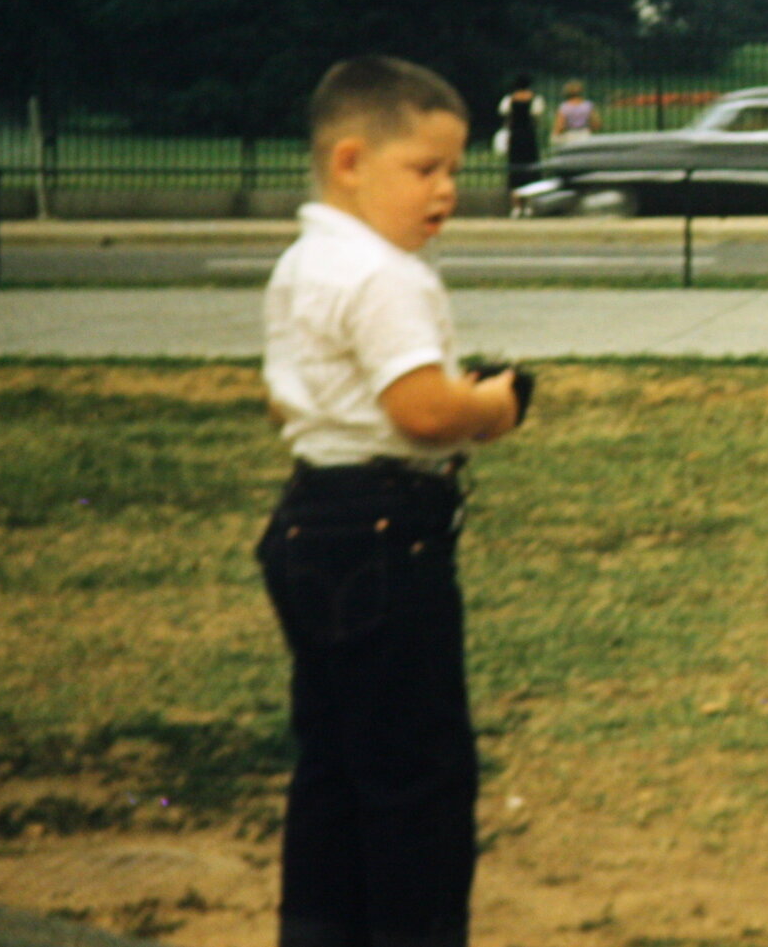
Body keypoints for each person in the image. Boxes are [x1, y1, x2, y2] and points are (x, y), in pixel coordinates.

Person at [258, 56, 527, 947]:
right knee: (420, 773)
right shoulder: (386, 276)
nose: (446, 189)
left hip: (309, 521)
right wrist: (495, 403)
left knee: (334, 762)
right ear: (348, 161)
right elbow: (420, 411)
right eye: (425, 169)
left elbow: (283, 396)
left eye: (456, 169)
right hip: (386, 535)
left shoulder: (303, 264)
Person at [497, 74, 543, 213]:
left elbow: (505, 116)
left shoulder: (509, 100)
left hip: (515, 136)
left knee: (514, 170)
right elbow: (537, 117)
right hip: (529, 137)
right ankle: (529, 204)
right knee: (530, 169)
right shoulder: (536, 99)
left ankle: (516, 206)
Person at [551, 79, 600, 149]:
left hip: (569, 136)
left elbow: (560, 126)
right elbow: (596, 124)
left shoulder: (564, 107)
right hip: (585, 135)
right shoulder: (588, 105)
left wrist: (554, 136)